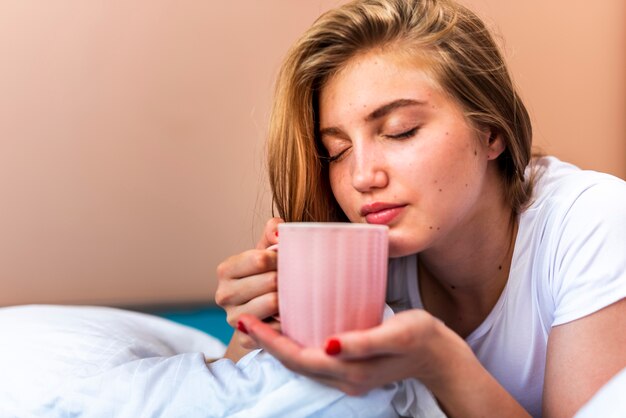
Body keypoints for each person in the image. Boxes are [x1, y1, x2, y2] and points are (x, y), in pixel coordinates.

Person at [215, 0, 626, 416]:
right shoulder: (357, 266)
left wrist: (442, 364)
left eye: (400, 131)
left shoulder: (593, 221)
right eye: (336, 151)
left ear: (491, 132)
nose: (361, 177)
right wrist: (253, 336)